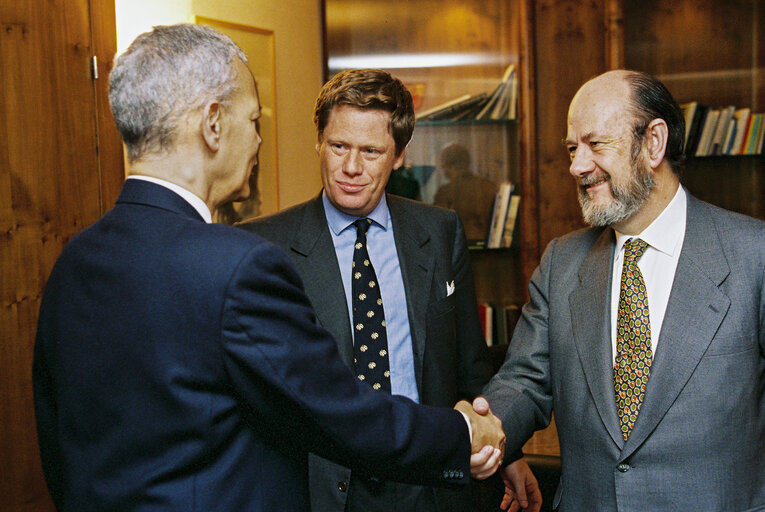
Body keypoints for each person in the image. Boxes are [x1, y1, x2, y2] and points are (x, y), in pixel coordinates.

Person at [32, 24, 508, 512]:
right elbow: (334, 413)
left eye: (371, 152)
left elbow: (58, 437)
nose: (259, 141)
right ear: (213, 124)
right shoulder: (239, 263)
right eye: (254, 120)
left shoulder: (75, 258)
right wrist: (462, 432)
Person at [239, 68, 539, 512]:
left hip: (432, 480)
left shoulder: (439, 232)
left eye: (371, 151)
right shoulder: (265, 247)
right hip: (323, 487)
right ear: (319, 141)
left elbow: (469, 364)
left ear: (399, 155)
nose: (352, 168)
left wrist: (506, 453)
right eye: (339, 146)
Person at [476, 69, 765, 510]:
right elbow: (524, 381)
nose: (576, 166)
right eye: (573, 148)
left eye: (596, 144)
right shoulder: (562, 262)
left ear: (653, 142)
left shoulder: (753, 256)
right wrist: (482, 429)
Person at [434, 142, 498, 242]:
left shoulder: (445, 192)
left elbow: (438, 227)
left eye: (443, 165)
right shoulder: (489, 186)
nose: (442, 169)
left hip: (456, 244)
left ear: (451, 166)